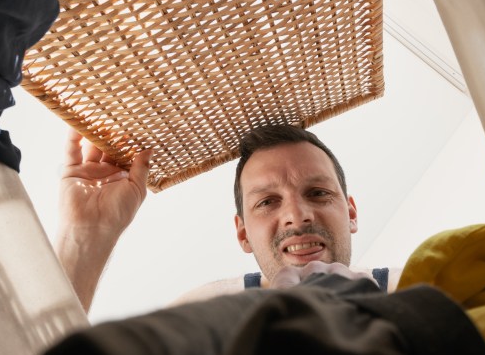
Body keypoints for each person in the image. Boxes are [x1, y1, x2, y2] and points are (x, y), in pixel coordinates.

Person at [56, 123, 392, 311]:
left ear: (350, 213)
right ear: (243, 234)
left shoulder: (415, 288)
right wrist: (87, 238)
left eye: (318, 193)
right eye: (268, 202)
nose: (297, 215)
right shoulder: (208, 309)